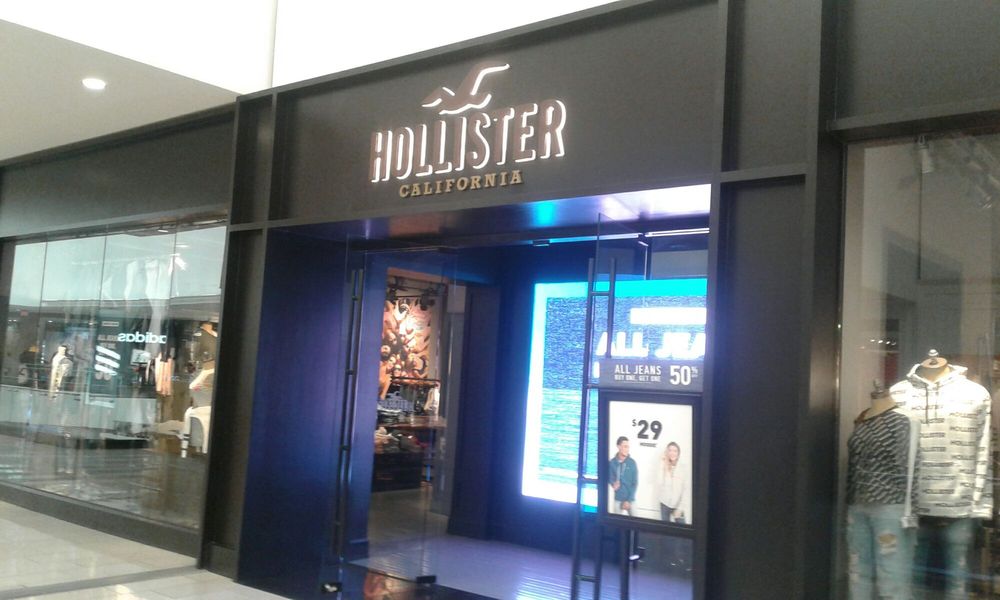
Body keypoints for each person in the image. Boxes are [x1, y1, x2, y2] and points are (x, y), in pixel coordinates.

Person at [609, 436, 637, 516]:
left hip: (630, 499)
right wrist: (613, 484)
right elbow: (610, 478)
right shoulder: (612, 462)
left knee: (636, 522)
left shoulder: (632, 463)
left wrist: (628, 500)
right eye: (625, 446)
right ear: (618, 446)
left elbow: (635, 483)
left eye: (628, 447)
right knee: (616, 522)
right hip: (618, 499)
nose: (627, 449)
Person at [658, 441, 686, 523]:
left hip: (678, 504)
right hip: (664, 504)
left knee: (682, 528)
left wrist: (680, 508)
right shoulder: (663, 466)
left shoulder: (683, 468)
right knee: (665, 528)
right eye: (670, 450)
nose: (672, 453)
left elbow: (686, 490)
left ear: (678, 453)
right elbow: (659, 482)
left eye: (675, 451)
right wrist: (663, 462)